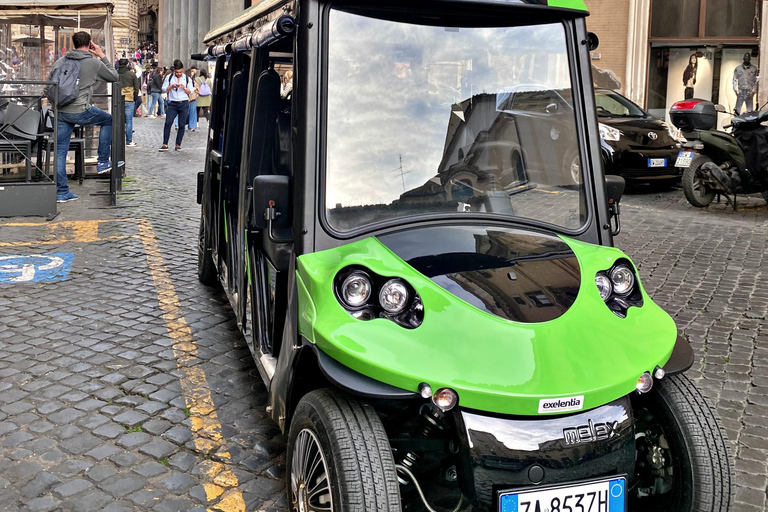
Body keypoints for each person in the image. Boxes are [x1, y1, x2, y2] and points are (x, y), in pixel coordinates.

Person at [50, 31, 119, 203]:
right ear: (90, 44)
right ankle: (103, 161)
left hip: (60, 111)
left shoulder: (60, 61)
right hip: (80, 110)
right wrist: (101, 55)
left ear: (73, 43)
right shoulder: (92, 63)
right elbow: (114, 76)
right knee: (108, 120)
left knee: (60, 152)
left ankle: (62, 192)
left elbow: (50, 84)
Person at [160, 59, 193, 151]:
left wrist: (184, 88)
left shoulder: (187, 78)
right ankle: (165, 143)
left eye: (180, 72)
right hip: (173, 103)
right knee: (168, 123)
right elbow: (163, 89)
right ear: (174, 70)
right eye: (177, 72)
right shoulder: (169, 77)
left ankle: (178, 144)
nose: (179, 74)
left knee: (182, 125)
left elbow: (191, 91)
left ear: (182, 69)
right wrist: (171, 86)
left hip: (184, 103)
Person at [117, 59, 140, 147]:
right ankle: (129, 140)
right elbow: (136, 88)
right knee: (129, 121)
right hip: (129, 99)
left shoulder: (116, 74)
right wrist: (134, 98)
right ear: (127, 65)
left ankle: (118, 139)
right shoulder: (131, 74)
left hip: (118, 99)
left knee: (119, 121)